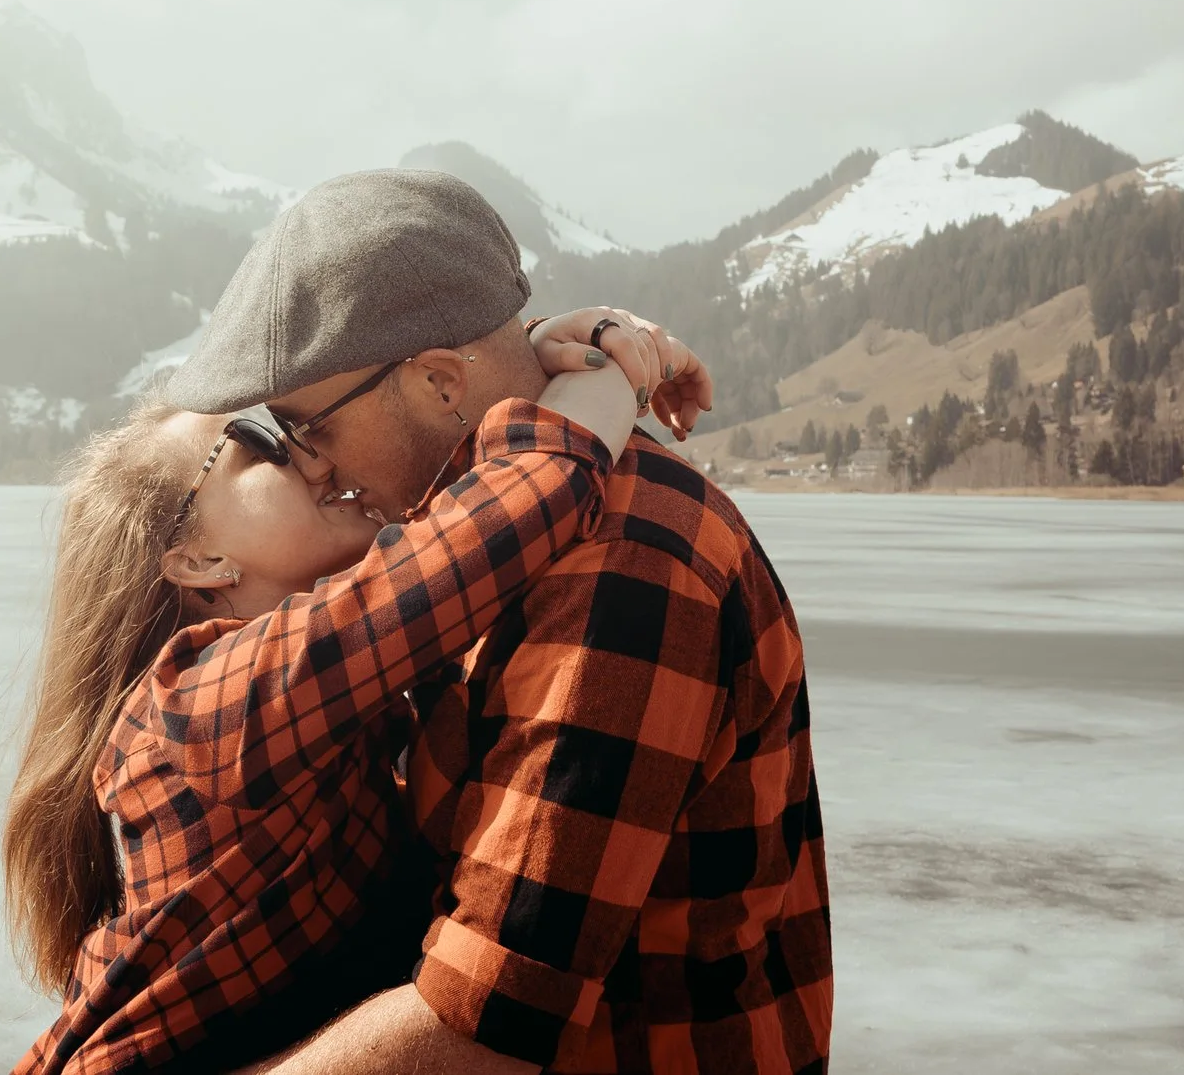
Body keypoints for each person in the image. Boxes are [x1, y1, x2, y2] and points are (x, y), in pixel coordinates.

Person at [170, 170, 832, 1075]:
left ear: (441, 383)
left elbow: (484, 1028)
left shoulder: (617, 572)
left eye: (303, 427)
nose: (310, 468)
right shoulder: (490, 532)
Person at [4, 266, 695, 1068]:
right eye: (262, 439)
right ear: (197, 558)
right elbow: (490, 532)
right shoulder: (201, 706)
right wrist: (605, 379)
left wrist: (502, 369)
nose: (314, 456)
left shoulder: (326, 691)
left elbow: (437, 530)